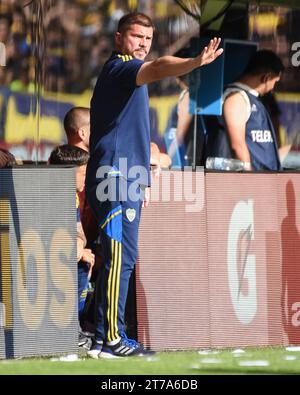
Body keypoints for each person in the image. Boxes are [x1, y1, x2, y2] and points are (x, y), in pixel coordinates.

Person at [86, 12, 223, 358]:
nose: (142, 44)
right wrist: (195, 61)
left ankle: (106, 337)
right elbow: (161, 66)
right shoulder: (121, 67)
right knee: (119, 256)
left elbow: (129, 134)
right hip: (113, 178)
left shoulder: (130, 79)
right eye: (136, 37)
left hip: (126, 179)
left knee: (124, 257)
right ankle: (112, 341)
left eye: (147, 39)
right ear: (119, 38)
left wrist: (143, 177)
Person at [48, 144, 95, 347]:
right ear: (67, 174)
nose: (86, 179)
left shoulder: (72, 196)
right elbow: (46, 238)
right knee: (81, 262)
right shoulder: (49, 194)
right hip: (39, 259)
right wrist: (76, 249)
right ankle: (66, 331)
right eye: (83, 173)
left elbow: (78, 231)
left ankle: (74, 326)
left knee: (85, 261)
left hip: (58, 253)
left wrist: (79, 244)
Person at [208, 49, 284, 171]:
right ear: (266, 77)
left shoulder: (254, 99)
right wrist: (249, 183)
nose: (273, 89)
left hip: (265, 181)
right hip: (250, 184)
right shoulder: (236, 98)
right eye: (275, 82)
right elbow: (238, 147)